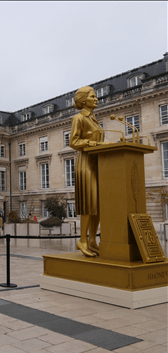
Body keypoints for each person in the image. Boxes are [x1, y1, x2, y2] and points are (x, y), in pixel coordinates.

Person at [69, 86, 110, 257]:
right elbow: (73, 141)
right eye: (93, 96)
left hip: (98, 163)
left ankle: (93, 240)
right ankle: (83, 240)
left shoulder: (95, 120)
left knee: (98, 205)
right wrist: (94, 144)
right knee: (88, 203)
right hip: (85, 163)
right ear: (83, 100)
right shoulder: (78, 118)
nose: (96, 99)